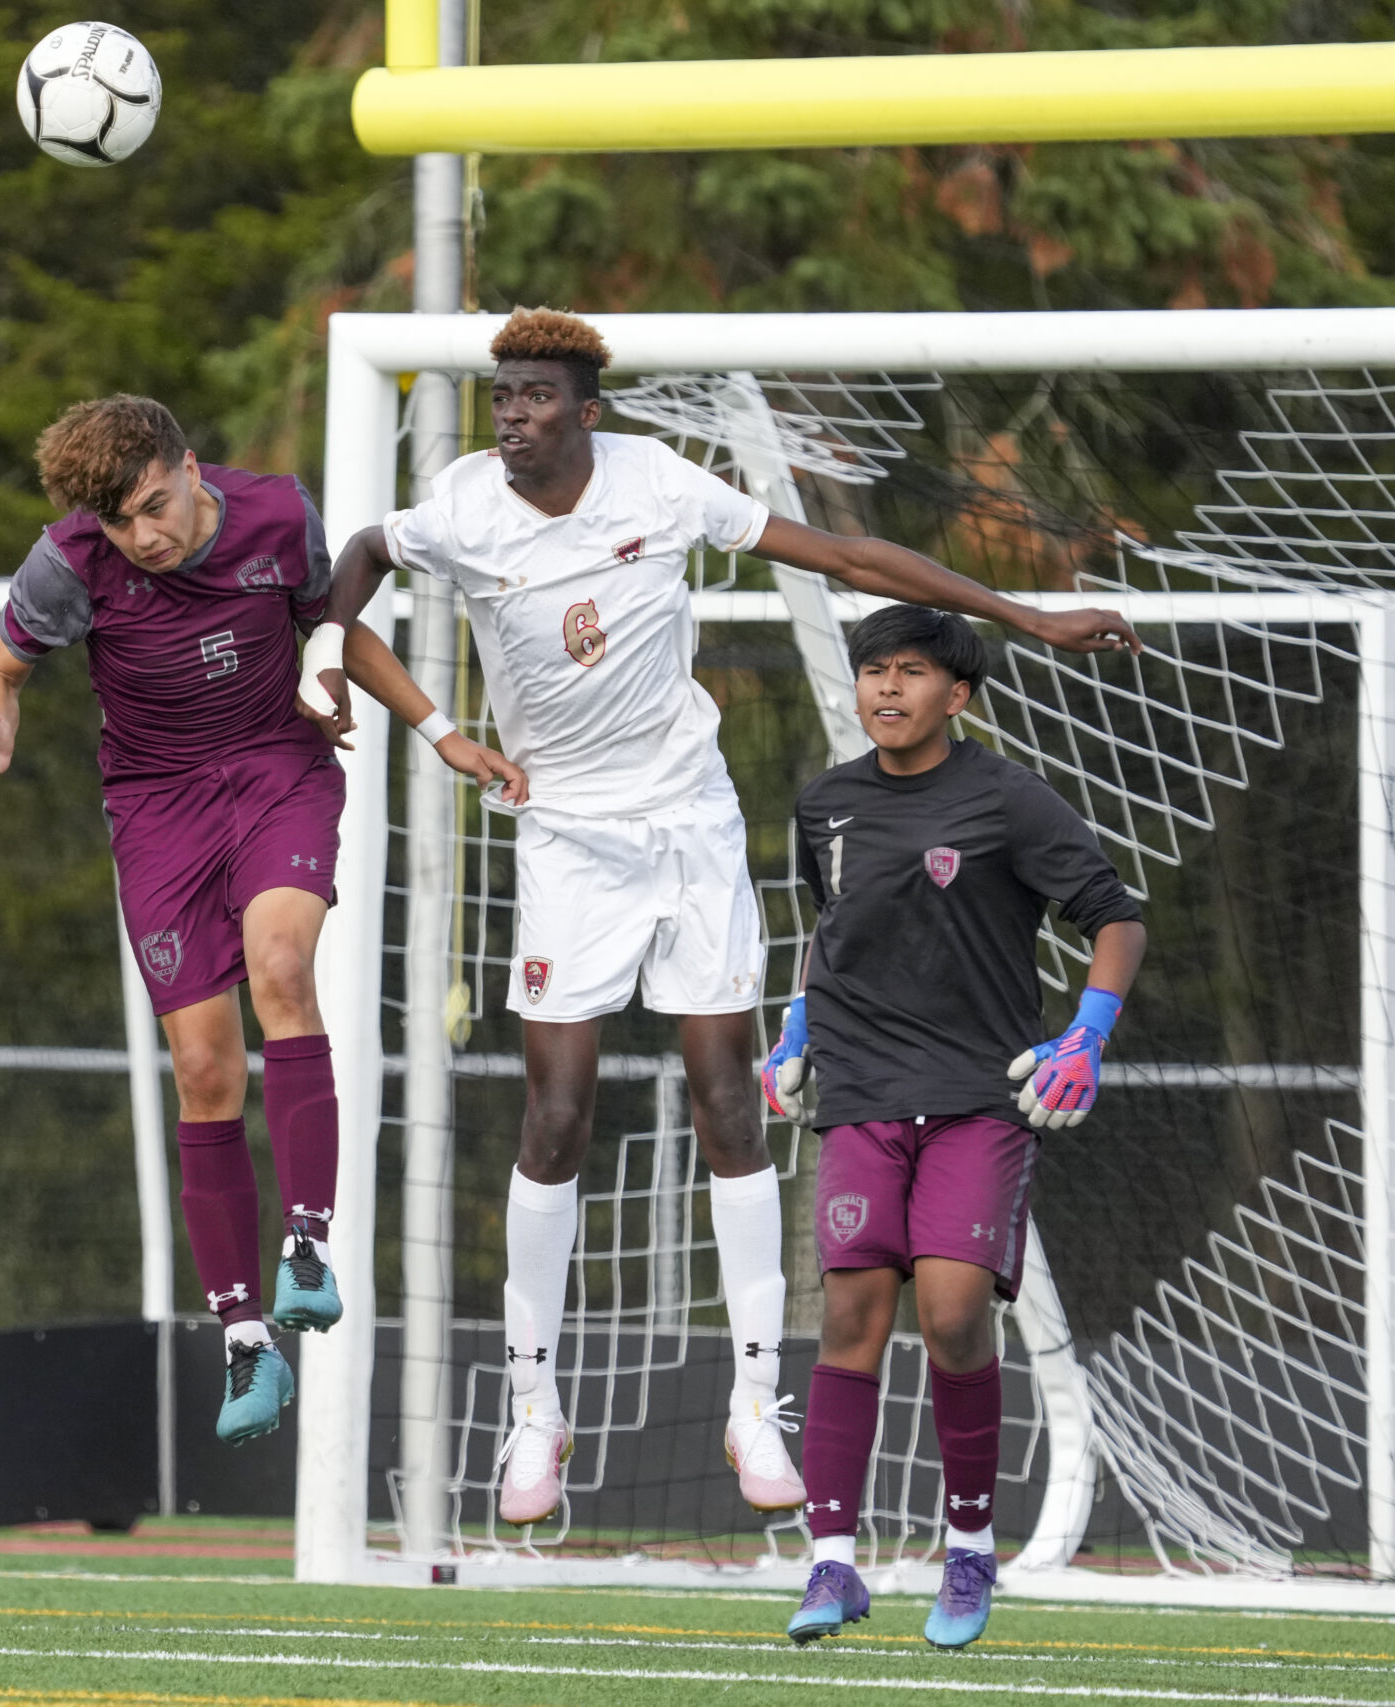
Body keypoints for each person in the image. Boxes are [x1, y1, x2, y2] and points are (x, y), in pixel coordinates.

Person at [301, 308, 1140, 1528]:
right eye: (504, 396)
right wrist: (370, 680)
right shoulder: (465, 504)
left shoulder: (660, 484)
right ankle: (533, 1413)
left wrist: (1025, 617)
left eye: (537, 396)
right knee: (555, 1110)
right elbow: (369, 550)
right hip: (564, 834)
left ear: (589, 410)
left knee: (728, 1097)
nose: (514, 414)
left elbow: (850, 563)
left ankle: (756, 1405)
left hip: (689, 821)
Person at [0, 396, 521, 1444]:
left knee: (281, 969)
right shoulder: (67, 562)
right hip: (156, 804)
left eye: (156, 507)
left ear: (190, 466)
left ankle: (308, 1244)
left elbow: (333, 631)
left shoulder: (277, 519)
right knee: (205, 1069)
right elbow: (2, 669)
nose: (144, 537)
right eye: (121, 524)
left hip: (276, 771)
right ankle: (245, 1342)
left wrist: (440, 733)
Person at [769, 605, 1147, 1648]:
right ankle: (832, 1566)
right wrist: (797, 1025)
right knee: (849, 1318)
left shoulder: (1005, 799)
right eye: (873, 672)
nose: (886, 689)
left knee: (947, 1312)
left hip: (978, 1097)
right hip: (857, 1095)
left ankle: (969, 1549)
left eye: (909, 673)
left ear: (958, 696)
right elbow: (829, 931)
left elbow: (1115, 917)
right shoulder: (826, 805)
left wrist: (1088, 1035)